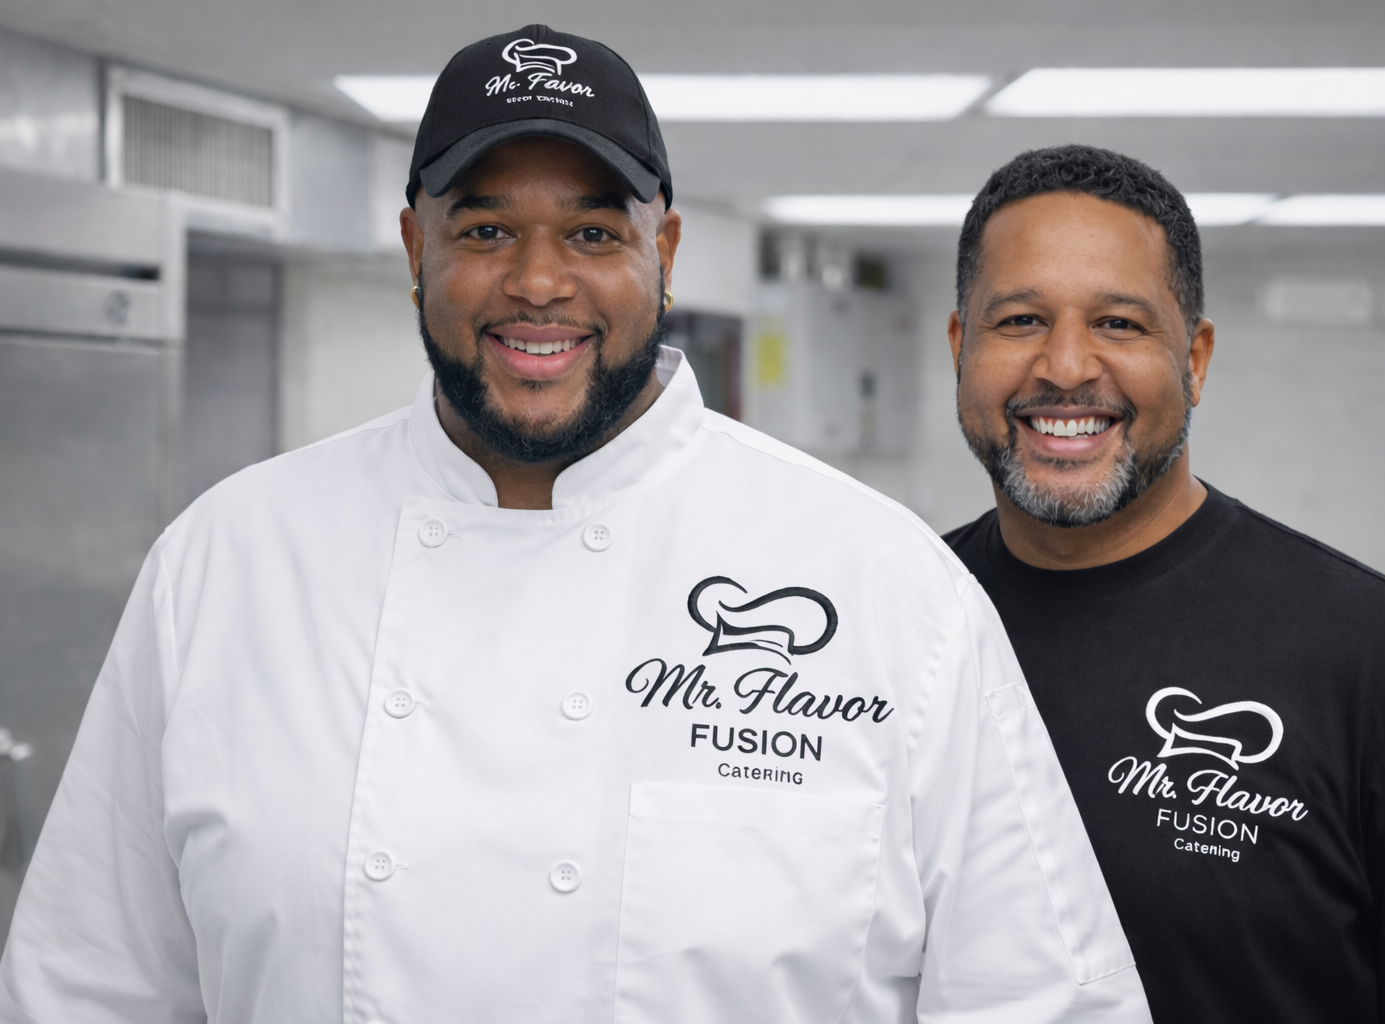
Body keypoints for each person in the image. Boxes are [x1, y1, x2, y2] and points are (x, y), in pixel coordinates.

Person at [0, 30, 1152, 1023]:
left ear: (666, 252)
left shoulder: (884, 584)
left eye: (595, 235)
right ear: (416, 251)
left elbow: (1042, 999)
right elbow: (86, 986)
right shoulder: (227, 563)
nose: (539, 283)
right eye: (488, 231)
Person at [942, 143, 1385, 1023]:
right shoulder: (899, 620)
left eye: (1120, 323)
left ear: (1197, 358)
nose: (1065, 367)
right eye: (1021, 320)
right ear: (961, 345)